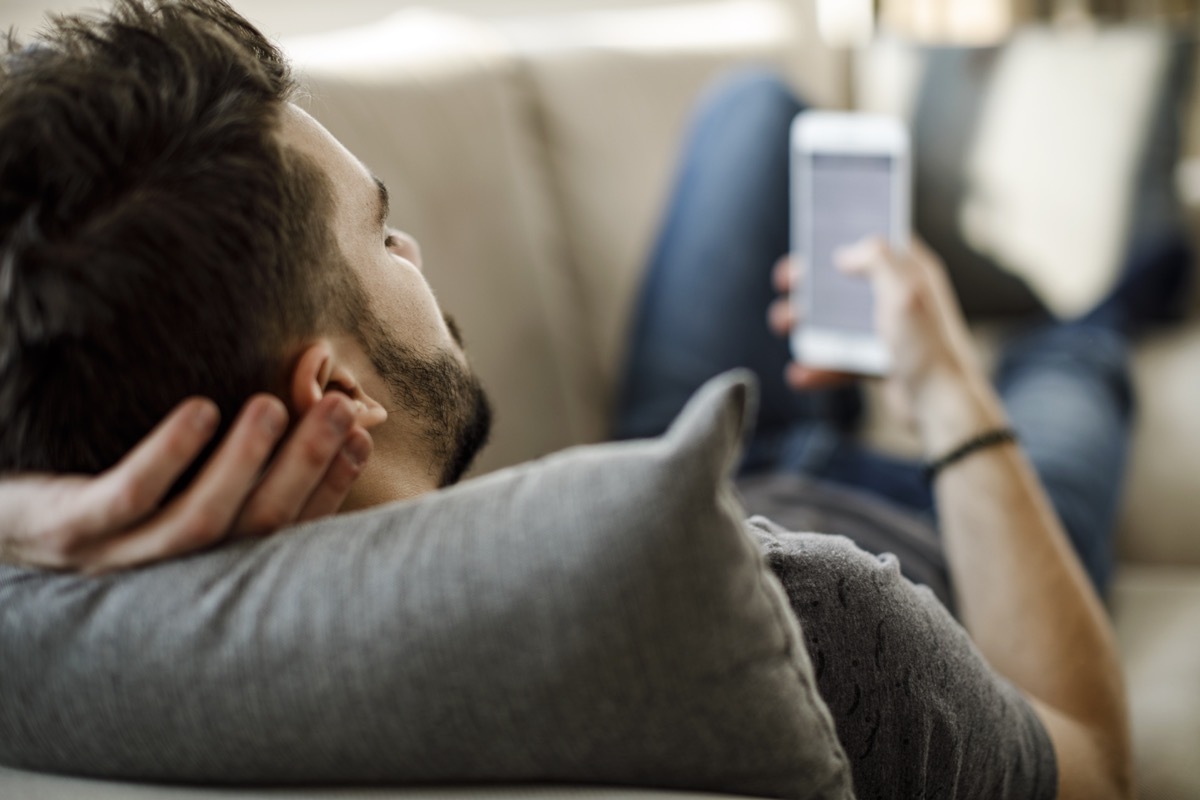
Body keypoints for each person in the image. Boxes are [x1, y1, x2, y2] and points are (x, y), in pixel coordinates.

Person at [2, 2, 1190, 797]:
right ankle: (1136, 275)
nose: (412, 242)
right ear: (334, 392)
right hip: (932, 541)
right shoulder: (816, 621)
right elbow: (1088, 758)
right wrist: (944, 385)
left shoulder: (40, 637)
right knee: (1069, 357)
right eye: (381, 230)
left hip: (657, 476)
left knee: (753, 114)